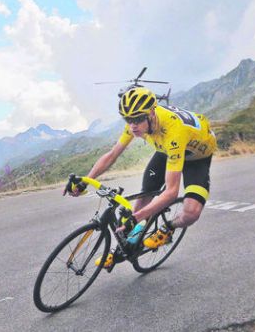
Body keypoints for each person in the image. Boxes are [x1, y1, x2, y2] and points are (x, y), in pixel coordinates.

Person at [66, 86, 217, 268]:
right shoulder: (135, 121)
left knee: (191, 213)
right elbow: (113, 154)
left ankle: (168, 228)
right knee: (142, 202)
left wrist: (136, 218)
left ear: (152, 113)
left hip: (196, 159)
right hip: (166, 151)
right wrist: (85, 180)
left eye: (137, 119)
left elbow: (171, 192)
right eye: (128, 120)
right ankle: (121, 250)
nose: (133, 125)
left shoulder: (174, 131)